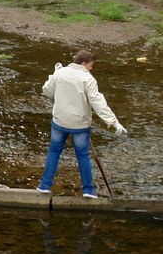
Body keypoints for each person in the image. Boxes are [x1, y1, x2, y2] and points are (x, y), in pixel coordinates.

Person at [37, 50, 127, 199]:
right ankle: (88, 190)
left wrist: (54, 75)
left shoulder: (61, 72)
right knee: (83, 156)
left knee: (53, 152)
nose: (91, 69)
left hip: (60, 121)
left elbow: (46, 90)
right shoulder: (88, 79)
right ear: (83, 63)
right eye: (91, 66)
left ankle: (44, 186)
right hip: (79, 125)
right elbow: (98, 104)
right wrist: (114, 123)